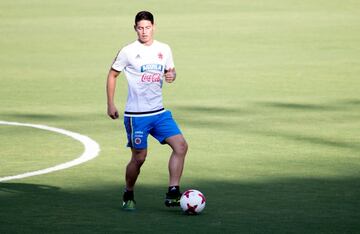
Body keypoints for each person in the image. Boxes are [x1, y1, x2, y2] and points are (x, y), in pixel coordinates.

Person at [106, 11, 188, 211]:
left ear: (154, 27)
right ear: (135, 28)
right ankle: (128, 192)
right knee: (139, 158)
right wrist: (110, 103)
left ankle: (173, 192)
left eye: (148, 27)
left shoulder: (164, 48)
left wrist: (172, 75)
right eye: (140, 28)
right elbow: (112, 75)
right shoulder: (127, 51)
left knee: (181, 146)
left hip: (159, 112)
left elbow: (171, 71)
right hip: (137, 116)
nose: (144, 31)